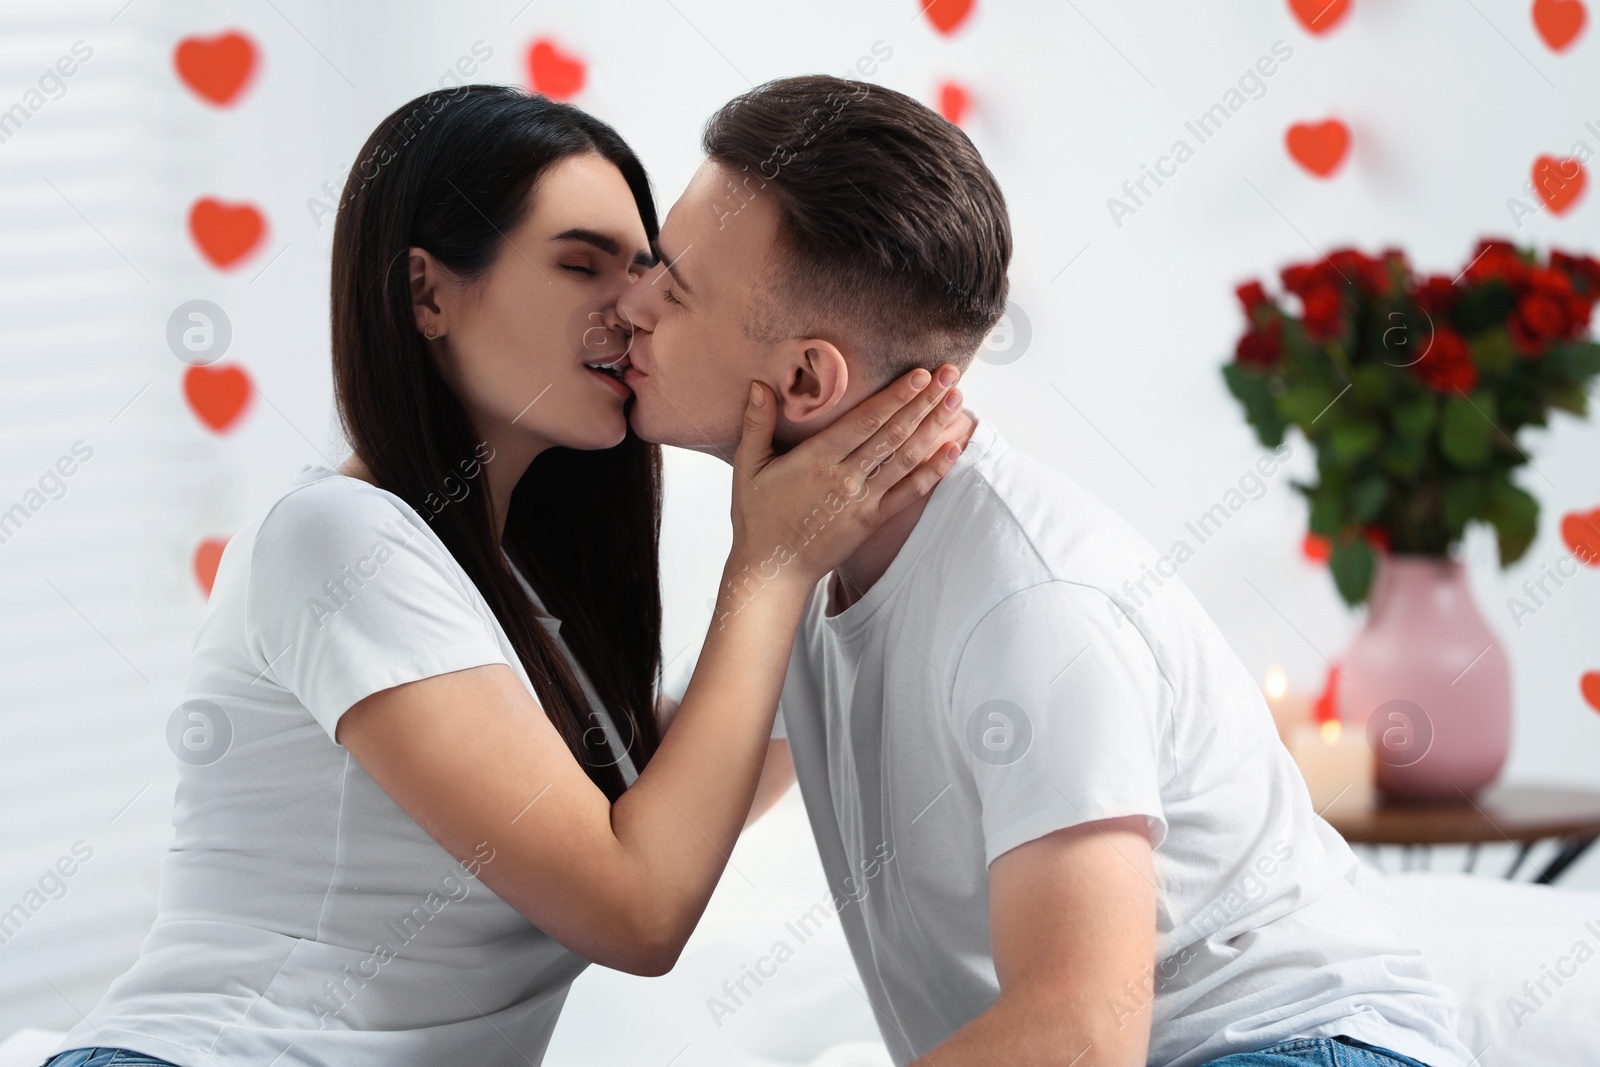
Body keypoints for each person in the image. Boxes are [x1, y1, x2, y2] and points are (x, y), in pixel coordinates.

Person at [41, 86, 970, 1067]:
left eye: (650, 273)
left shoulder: (511, 594)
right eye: (581, 265)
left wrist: (834, 513)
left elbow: (685, 796)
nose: (634, 309)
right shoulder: (336, 542)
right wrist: (770, 563)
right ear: (425, 294)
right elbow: (638, 908)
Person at [627, 75, 1478, 1067]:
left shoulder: (1030, 602)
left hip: (1304, 1048)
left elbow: (1078, 1032)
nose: (629, 302)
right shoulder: (806, 556)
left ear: (810, 380)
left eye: (671, 285)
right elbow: (671, 799)